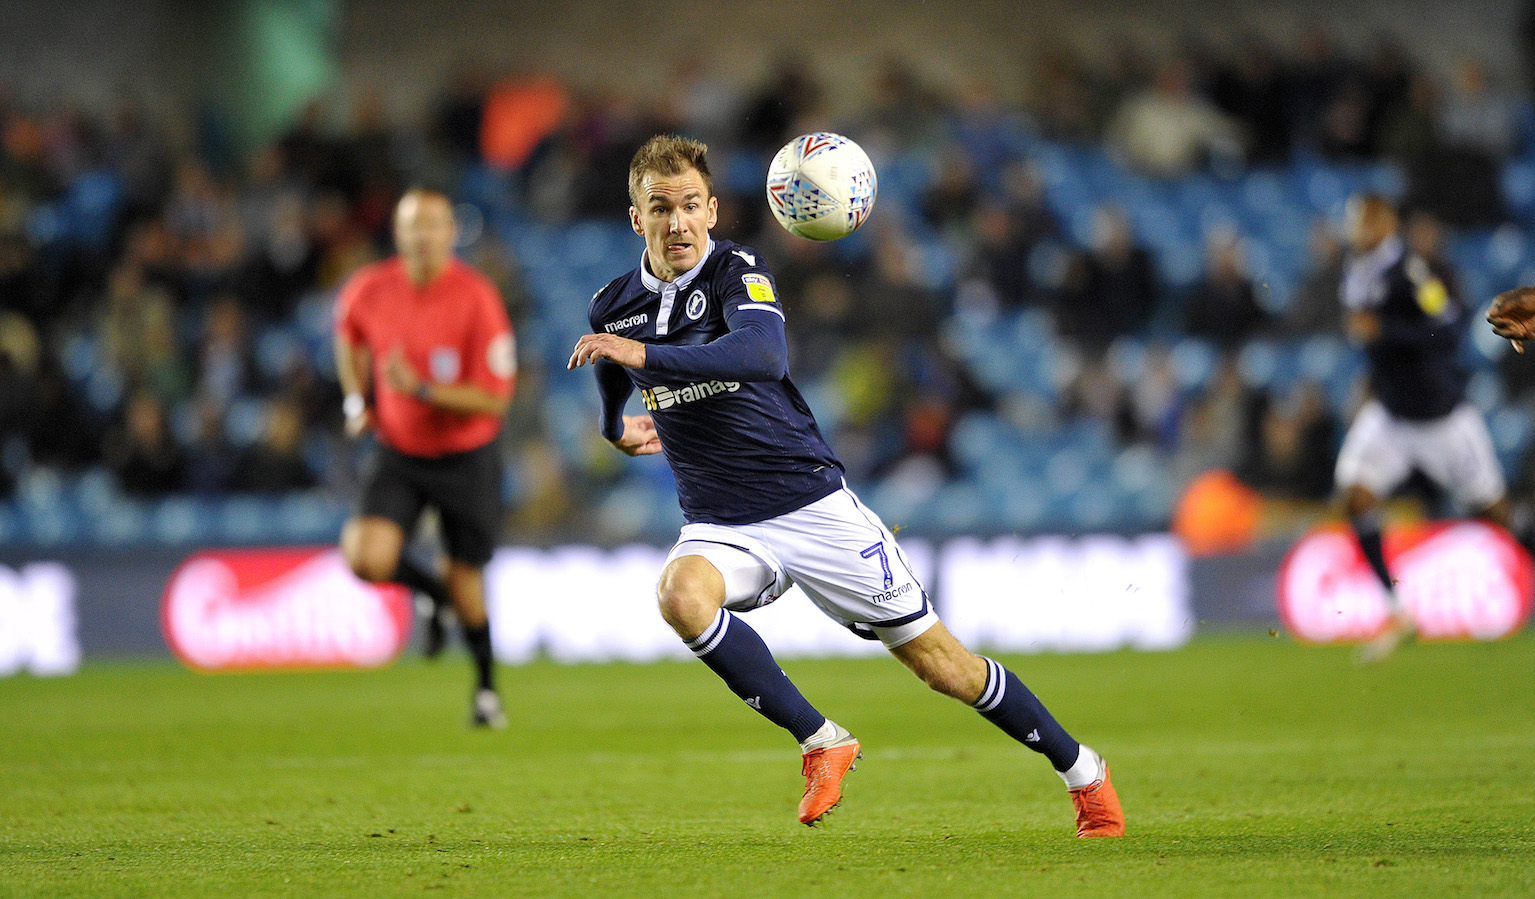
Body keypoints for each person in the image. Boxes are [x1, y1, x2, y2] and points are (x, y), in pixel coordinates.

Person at [567, 135, 1123, 835]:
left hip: (810, 506)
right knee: (680, 595)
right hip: (720, 521)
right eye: (660, 208)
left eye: (689, 205)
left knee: (944, 668)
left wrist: (642, 355)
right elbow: (610, 358)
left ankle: (1082, 771)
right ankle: (822, 740)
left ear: (712, 210)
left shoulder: (737, 270)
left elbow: (763, 355)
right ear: (635, 218)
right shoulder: (612, 305)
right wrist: (613, 423)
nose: (677, 223)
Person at [334, 188, 517, 726]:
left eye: (433, 224)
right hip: (400, 450)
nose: (423, 235)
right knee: (365, 557)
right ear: (398, 233)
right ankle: (433, 596)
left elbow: (496, 399)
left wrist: (422, 391)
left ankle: (486, 691)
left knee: (468, 583)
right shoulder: (370, 289)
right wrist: (356, 399)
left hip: (467, 454)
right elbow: (348, 335)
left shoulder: (477, 297)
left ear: (451, 233)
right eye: (413, 224)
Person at [1336, 193, 1509, 663]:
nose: (1357, 230)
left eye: (1365, 221)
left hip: (1440, 417)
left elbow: (1448, 327)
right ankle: (1397, 610)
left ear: (1386, 223)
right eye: (1354, 221)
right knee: (1355, 496)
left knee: (1498, 514)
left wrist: (1386, 332)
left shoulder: (1411, 271)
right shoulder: (1358, 271)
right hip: (1392, 414)